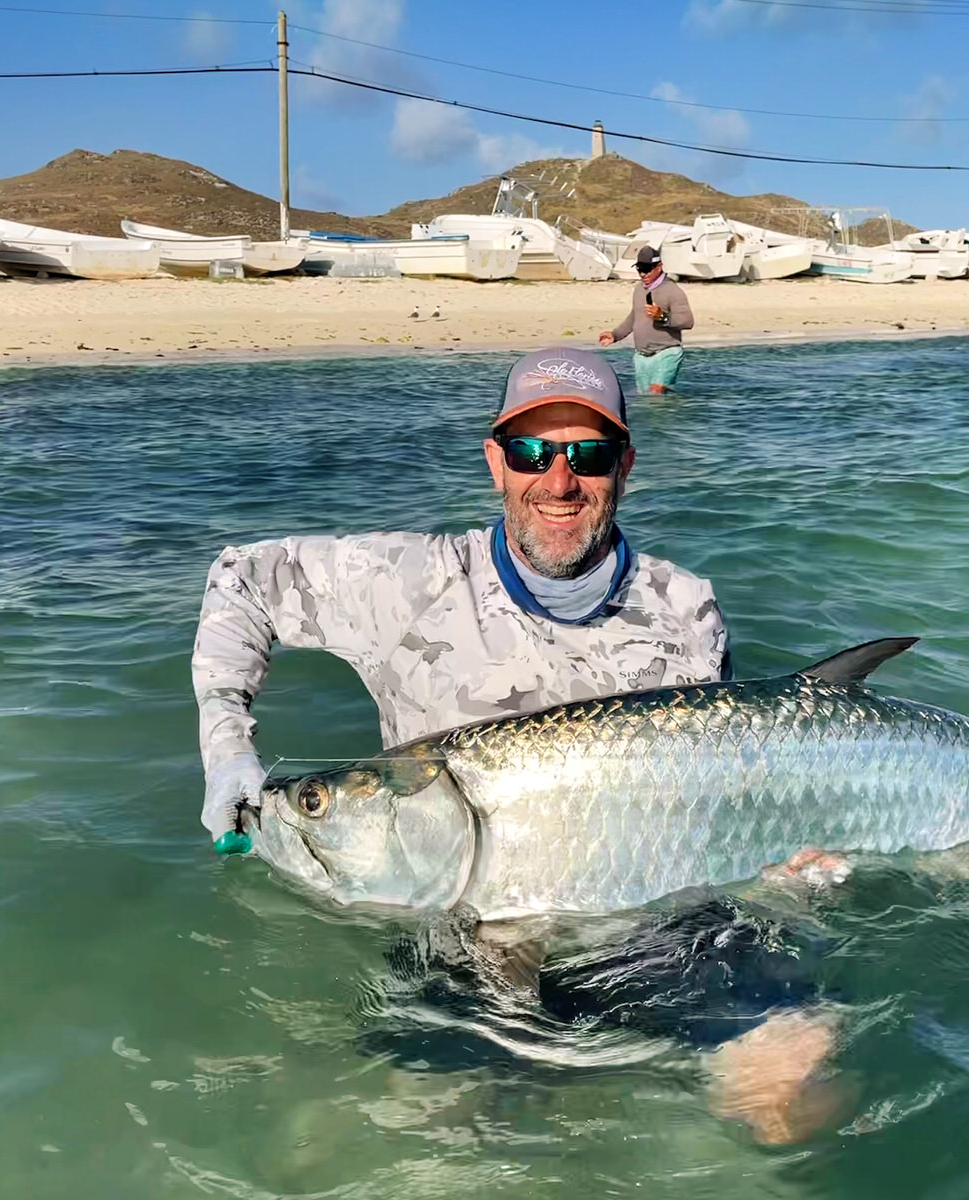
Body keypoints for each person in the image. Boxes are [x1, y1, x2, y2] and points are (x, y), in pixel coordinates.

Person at [190, 345, 839, 1143]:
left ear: (625, 465)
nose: (558, 480)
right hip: (466, 945)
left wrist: (784, 873)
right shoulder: (408, 582)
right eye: (532, 451)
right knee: (415, 1150)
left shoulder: (686, 608)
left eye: (587, 454)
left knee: (786, 1103)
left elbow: (726, 796)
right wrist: (228, 752)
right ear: (496, 462)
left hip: (661, 936)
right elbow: (242, 580)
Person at [599, 244, 692, 395]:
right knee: (645, 399)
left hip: (666, 353)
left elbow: (687, 321)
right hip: (641, 357)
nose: (643, 274)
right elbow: (634, 316)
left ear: (659, 267)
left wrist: (662, 317)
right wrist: (615, 335)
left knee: (657, 393)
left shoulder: (673, 291)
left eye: (647, 269)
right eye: (639, 269)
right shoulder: (639, 289)